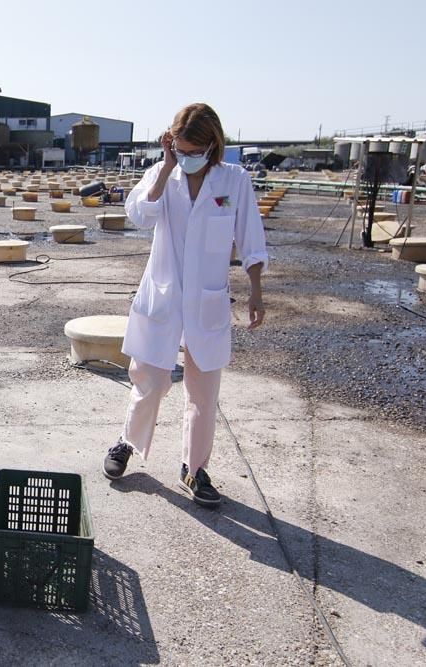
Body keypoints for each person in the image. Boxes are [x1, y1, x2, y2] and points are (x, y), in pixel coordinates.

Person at [101, 103, 268, 507]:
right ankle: (127, 440)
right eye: (182, 149)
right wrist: (165, 166)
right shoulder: (163, 175)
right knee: (150, 381)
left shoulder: (234, 181)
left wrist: (256, 289)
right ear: (171, 143)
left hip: (207, 299)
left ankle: (194, 470)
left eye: (197, 151)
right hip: (162, 295)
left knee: (203, 392)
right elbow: (140, 214)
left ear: (213, 145)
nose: (190, 158)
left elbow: (251, 236)